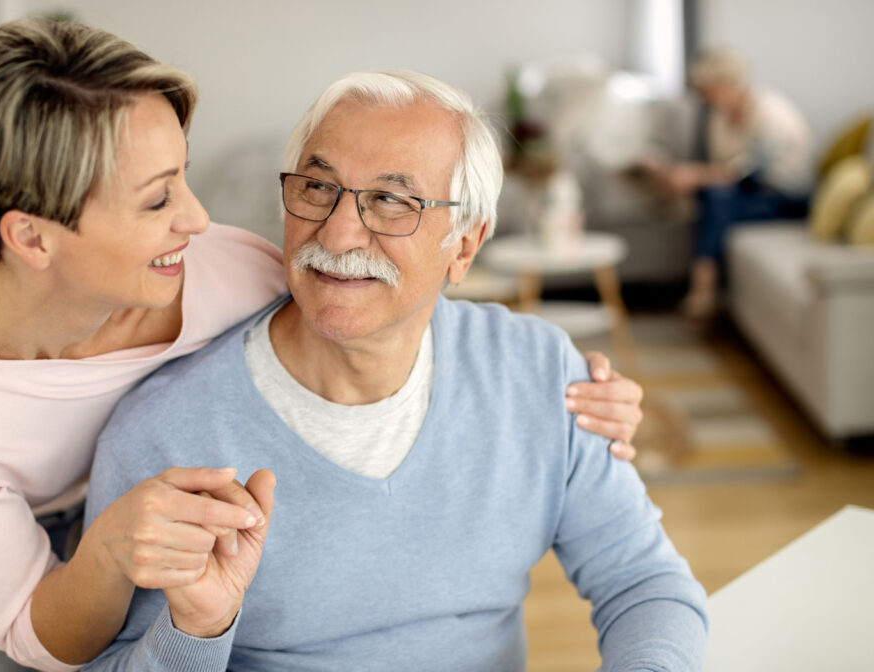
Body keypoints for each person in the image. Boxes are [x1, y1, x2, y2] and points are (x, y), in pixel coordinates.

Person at [0, 20, 643, 672]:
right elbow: (37, 630)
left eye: (183, 178)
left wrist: (564, 389)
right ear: (31, 237)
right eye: (158, 198)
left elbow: (379, 296)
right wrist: (108, 555)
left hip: (137, 493)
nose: (198, 220)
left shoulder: (232, 272)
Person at [83, 70, 708, 671]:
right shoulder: (161, 433)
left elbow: (643, 582)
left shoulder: (540, 373)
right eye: (317, 187)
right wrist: (196, 632)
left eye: (390, 200)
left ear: (464, 244)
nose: (340, 232)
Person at [640, 48, 812, 321]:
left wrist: (694, 175)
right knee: (712, 195)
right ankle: (705, 288)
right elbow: (722, 168)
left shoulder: (771, 115)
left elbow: (750, 173)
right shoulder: (717, 116)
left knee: (717, 197)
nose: (704, 99)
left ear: (729, 84)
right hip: (747, 194)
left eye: (709, 91)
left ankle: (703, 288)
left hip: (785, 198)